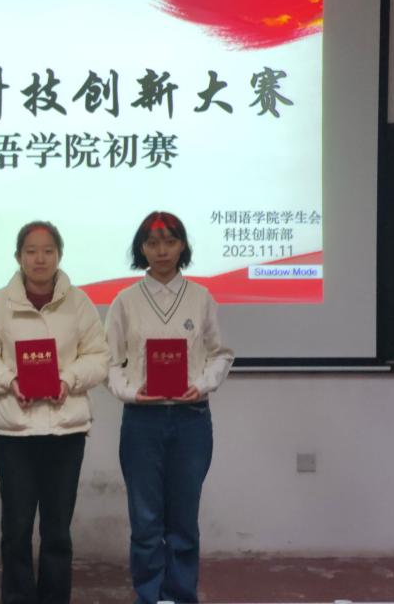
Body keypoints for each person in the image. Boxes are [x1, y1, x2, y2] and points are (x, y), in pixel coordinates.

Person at [0, 221, 109, 604]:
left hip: (66, 431)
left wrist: (67, 380)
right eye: (31, 251)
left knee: (57, 530)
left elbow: (99, 357)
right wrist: (10, 381)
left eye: (48, 250)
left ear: (59, 255)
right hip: (15, 432)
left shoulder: (79, 303)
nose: (40, 258)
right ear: (18, 256)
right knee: (15, 529)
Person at [106, 211, 234, 604]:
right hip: (142, 421)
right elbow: (109, 362)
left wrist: (202, 385)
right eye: (152, 243)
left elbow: (221, 353)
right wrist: (132, 392)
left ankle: (180, 595)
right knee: (145, 521)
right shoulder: (125, 301)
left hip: (191, 420)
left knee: (183, 521)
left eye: (170, 241)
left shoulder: (201, 297)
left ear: (182, 246)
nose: (162, 251)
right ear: (141, 249)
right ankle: (149, 596)